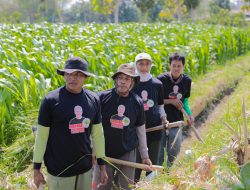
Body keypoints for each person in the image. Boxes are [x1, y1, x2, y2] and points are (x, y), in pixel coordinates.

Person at [33, 56, 108, 190]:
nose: (72, 78)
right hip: (59, 170)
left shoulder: (93, 99)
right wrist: (36, 169)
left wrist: (102, 166)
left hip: (85, 169)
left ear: (85, 77)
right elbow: (41, 137)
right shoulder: (50, 101)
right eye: (69, 74)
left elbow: (98, 134)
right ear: (64, 75)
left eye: (78, 75)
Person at [93, 63, 152, 190]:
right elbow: (93, 127)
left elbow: (140, 130)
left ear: (132, 82)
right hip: (104, 153)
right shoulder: (102, 98)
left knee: (126, 186)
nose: (123, 82)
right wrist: (93, 149)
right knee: (101, 186)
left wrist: (145, 155)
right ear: (115, 80)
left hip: (127, 152)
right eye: (120, 78)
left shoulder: (137, 102)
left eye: (127, 79)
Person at [133, 53, 169, 182]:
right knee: (135, 165)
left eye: (147, 63)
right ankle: (134, 184)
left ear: (151, 65)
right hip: (135, 132)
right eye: (141, 63)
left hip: (154, 128)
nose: (144, 67)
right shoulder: (132, 83)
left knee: (152, 163)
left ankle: (152, 185)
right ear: (135, 65)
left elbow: (160, 106)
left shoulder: (157, 84)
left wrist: (164, 119)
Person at [158, 52, 194, 167]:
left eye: (179, 66)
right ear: (169, 65)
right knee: (159, 150)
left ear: (183, 66)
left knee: (175, 148)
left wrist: (189, 114)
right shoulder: (161, 80)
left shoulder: (187, 81)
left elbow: (185, 101)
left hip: (177, 119)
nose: (176, 68)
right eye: (174, 65)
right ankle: (158, 173)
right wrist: (171, 101)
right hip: (160, 119)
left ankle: (169, 170)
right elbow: (156, 101)